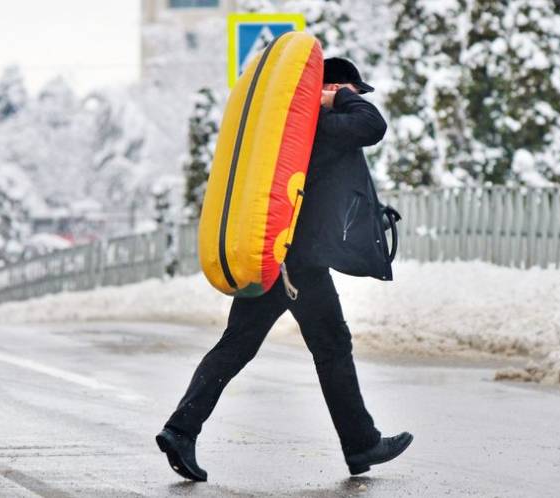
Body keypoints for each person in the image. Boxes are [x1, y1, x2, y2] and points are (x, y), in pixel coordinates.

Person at [156, 57, 412, 482]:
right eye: (349, 90)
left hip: (274, 255)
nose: (354, 99)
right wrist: (339, 96)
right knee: (332, 347)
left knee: (238, 345)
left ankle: (180, 429)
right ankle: (361, 443)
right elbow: (373, 126)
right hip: (299, 265)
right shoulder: (320, 125)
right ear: (330, 88)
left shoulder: (293, 129)